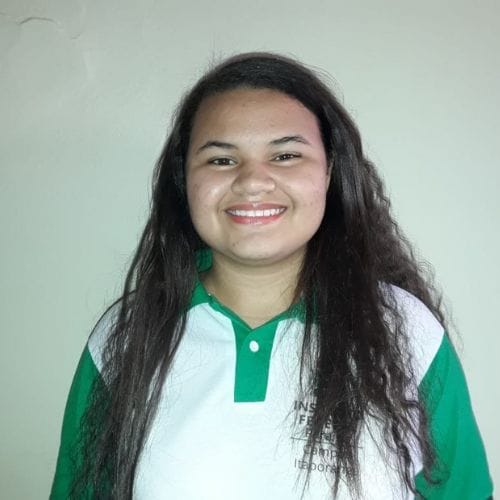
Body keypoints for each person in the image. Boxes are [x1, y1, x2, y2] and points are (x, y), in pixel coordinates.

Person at [50, 52, 493, 499]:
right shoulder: (128, 336)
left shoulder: (405, 330)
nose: (252, 182)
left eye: (285, 155)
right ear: (184, 180)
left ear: (330, 172)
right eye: (221, 160)